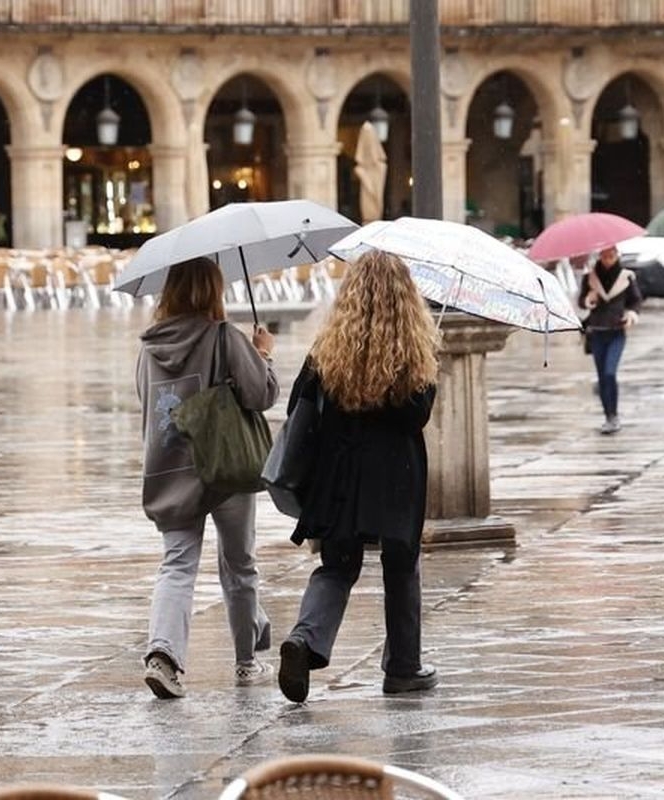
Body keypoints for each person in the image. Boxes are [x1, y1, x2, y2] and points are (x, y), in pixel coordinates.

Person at [276, 249, 440, 703]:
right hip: (396, 474)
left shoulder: (328, 347)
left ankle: (306, 639)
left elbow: (297, 409)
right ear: (407, 297)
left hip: (339, 472)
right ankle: (403, 668)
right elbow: (417, 417)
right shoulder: (413, 351)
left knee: (337, 565)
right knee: (401, 565)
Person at [135, 256, 278, 699]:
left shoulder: (149, 347)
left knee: (177, 564)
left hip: (171, 467)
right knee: (239, 564)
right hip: (225, 463)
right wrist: (262, 356)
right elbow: (261, 394)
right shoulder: (223, 336)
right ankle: (246, 663)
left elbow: (146, 402)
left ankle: (163, 655)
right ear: (213, 290)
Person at [578, 245, 642, 435]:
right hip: (597, 332)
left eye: (611, 256)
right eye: (605, 256)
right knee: (601, 378)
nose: (608, 259)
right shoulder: (590, 278)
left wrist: (631, 314)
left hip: (616, 332)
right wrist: (589, 298)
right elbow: (581, 301)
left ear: (616, 256)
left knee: (609, 373)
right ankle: (608, 416)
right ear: (600, 256)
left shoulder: (626, 277)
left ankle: (614, 415)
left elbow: (636, 300)